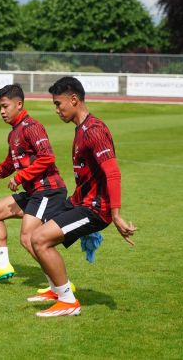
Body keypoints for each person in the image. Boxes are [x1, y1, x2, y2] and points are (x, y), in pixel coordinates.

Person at [28, 76, 136, 317]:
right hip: (81, 202)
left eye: (58, 104)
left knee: (40, 239)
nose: (56, 110)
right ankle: (57, 290)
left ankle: (68, 302)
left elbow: (113, 173)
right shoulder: (81, 129)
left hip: (96, 209)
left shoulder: (95, 131)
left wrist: (115, 215)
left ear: (74, 99)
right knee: (32, 233)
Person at [0, 84, 71, 289]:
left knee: (28, 238)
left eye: (5, 106)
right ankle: (3, 265)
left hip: (48, 191)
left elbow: (47, 157)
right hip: (35, 193)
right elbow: (8, 166)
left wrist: (21, 176)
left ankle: (61, 285)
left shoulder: (32, 127)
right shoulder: (14, 133)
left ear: (19, 104)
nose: (2, 111)